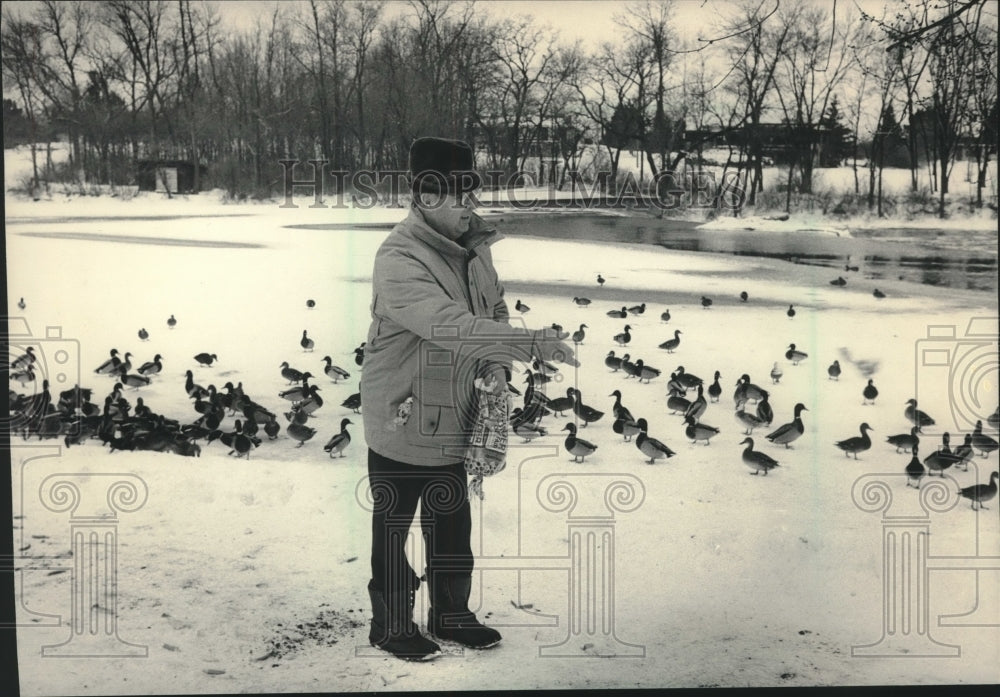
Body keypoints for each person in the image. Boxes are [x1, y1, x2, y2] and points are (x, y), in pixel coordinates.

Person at [360, 136, 577, 661]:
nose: (467, 207)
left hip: (456, 411)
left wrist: (499, 367)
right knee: (394, 525)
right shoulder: (398, 258)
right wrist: (529, 344)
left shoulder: (474, 252)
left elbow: (494, 309)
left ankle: (452, 613)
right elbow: (451, 326)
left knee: (452, 520)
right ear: (425, 197)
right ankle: (389, 624)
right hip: (403, 414)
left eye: (469, 195)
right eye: (456, 197)